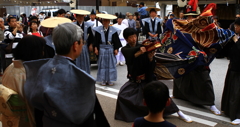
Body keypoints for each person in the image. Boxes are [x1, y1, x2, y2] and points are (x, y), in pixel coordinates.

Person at [24, 22, 110, 127]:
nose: (82, 45)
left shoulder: (41, 67)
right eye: (81, 42)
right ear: (75, 45)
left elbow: (37, 106)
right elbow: (85, 114)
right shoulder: (82, 78)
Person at [115, 28, 192, 123]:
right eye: (131, 37)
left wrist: (150, 58)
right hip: (134, 81)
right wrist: (141, 50)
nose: (134, 39)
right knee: (123, 95)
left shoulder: (143, 47)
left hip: (147, 79)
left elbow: (150, 66)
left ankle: (178, 112)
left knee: (160, 94)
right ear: (126, 39)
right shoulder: (125, 49)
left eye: (135, 36)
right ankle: (136, 114)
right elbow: (131, 57)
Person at [1, 35, 53, 127]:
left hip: (8, 119)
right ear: (35, 51)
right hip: (24, 121)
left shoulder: (10, 67)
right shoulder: (28, 74)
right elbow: (34, 105)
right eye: (42, 49)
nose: (43, 52)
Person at [93, 14, 122, 86]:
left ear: (109, 22)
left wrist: (116, 49)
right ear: (102, 21)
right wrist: (96, 48)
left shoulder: (113, 30)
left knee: (111, 64)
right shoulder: (98, 30)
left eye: (107, 21)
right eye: (104, 20)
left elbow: (116, 40)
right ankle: (103, 79)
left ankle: (110, 79)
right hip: (102, 48)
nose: (105, 22)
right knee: (102, 64)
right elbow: (96, 40)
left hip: (110, 48)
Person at [221, 18, 240, 125]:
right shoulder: (235, 37)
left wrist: (236, 41)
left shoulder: (237, 39)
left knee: (237, 92)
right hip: (233, 67)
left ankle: (237, 115)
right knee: (230, 89)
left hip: (239, 70)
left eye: (238, 26)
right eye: (235, 26)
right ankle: (228, 110)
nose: (236, 28)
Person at [71, 9, 94, 74]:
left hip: (85, 45)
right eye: (79, 16)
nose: (80, 18)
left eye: (82, 16)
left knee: (85, 60)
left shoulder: (88, 25)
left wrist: (91, 44)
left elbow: (91, 36)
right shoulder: (73, 25)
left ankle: (86, 74)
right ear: (76, 17)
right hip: (76, 45)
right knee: (77, 60)